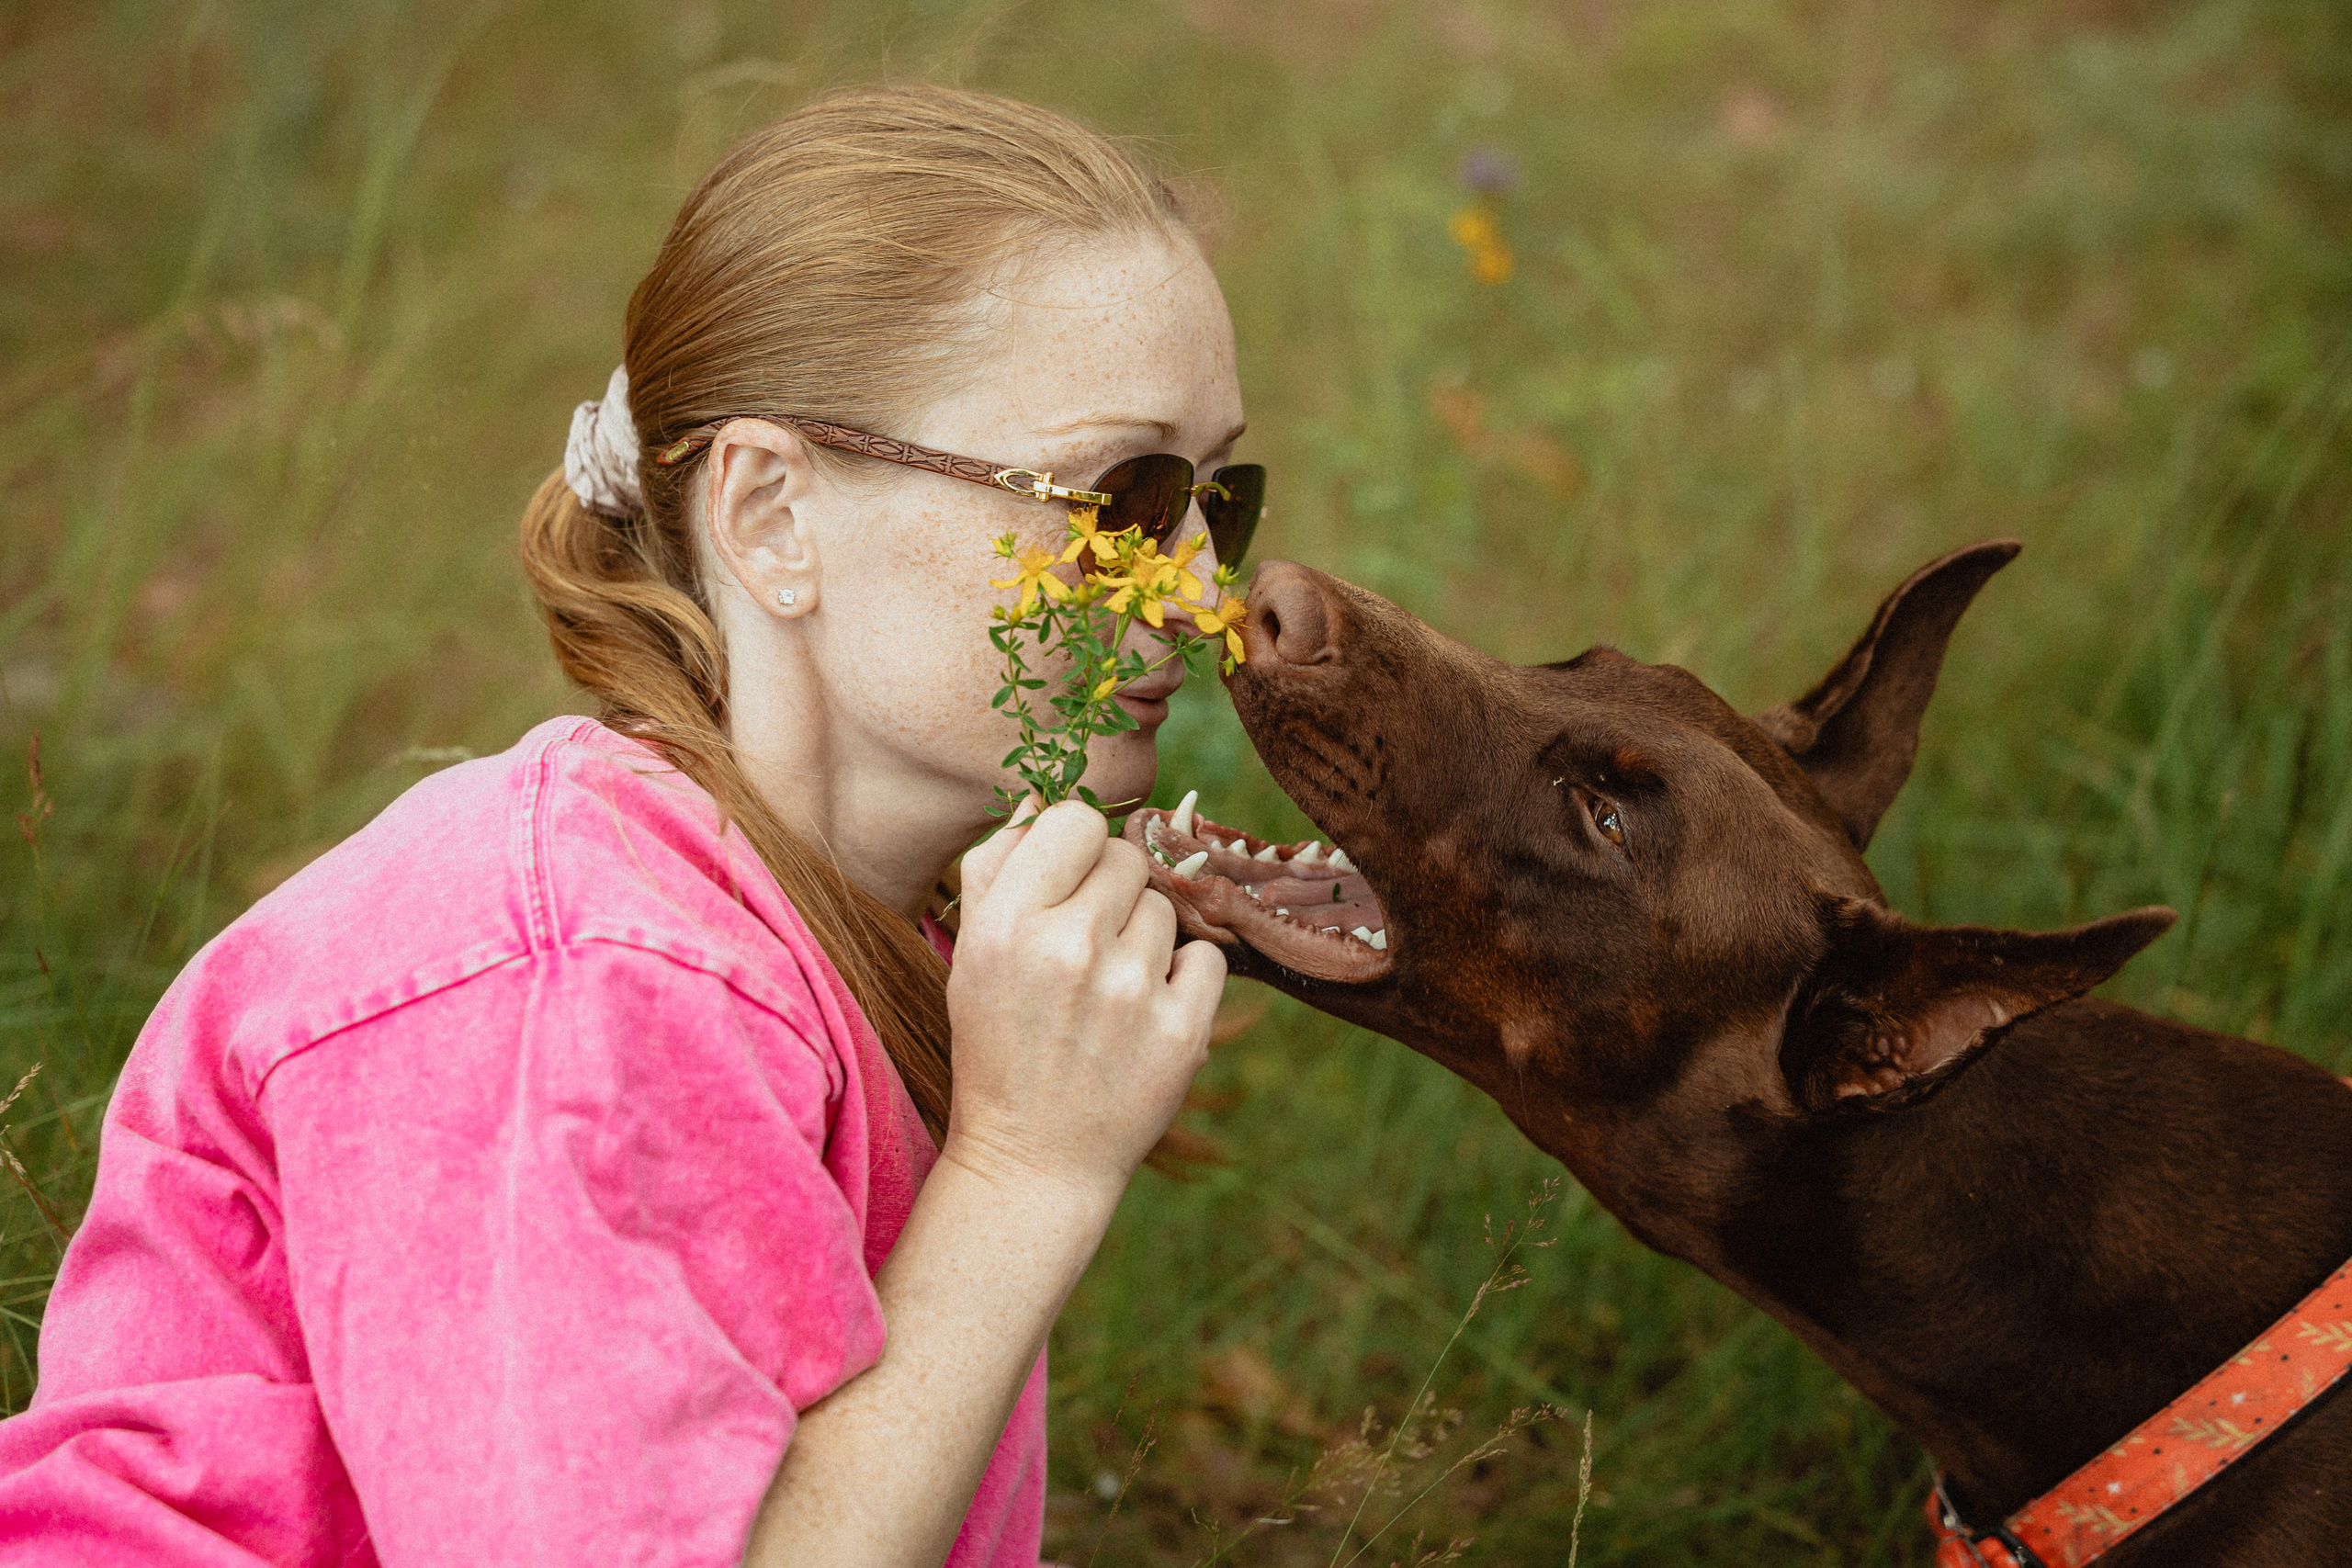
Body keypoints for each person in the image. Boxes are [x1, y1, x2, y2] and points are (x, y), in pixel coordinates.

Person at [0, 85, 1263, 1567]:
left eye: (1214, 501)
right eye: (1123, 495)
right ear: (774, 516)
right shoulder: (573, 976)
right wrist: (1026, 1174)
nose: (1202, 591)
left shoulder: (860, 926)